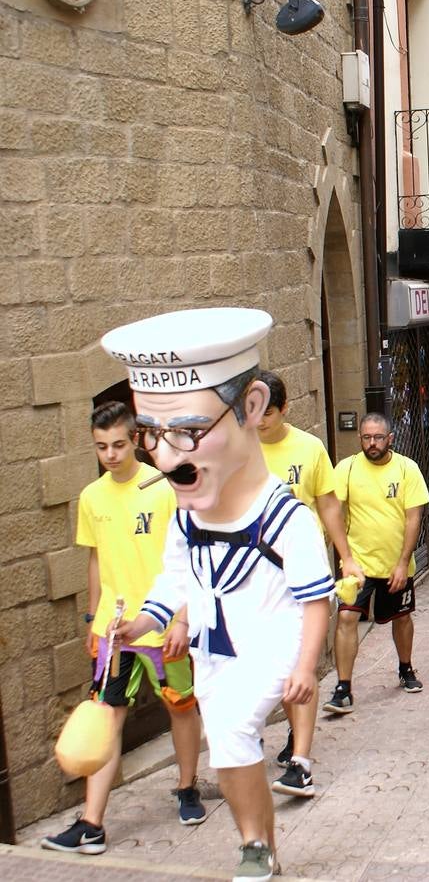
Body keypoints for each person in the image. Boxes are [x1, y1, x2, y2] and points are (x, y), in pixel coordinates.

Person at [99, 308, 332, 880]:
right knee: (228, 753)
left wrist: (305, 665)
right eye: (152, 436)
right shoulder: (187, 518)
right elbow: (174, 579)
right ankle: (260, 845)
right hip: (213, 656)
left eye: (187, 432)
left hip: (269, 649)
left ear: (250, 407)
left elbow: (315, 600)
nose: (167, 456)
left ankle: (256, 845)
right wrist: (143, 626)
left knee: (230, 737)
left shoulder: (286, 518)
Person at [43, 402, 205, 857]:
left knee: (180, 707)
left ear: (134, 439)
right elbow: (95, 558)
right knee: (106, 716)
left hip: (164, 624)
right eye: (101, 447)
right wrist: (92, 620)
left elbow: (191, 555)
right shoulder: (92, 497)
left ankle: (187, 786)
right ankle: (92, 823)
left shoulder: (164, 487)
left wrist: (182, 616)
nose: (110, 455)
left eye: (117, 444)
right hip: (116, 633)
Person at [255, 370, 365, 797]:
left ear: (283, 409)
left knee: (301, 658)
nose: (260, 419)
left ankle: (301, 760)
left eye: (268, 411)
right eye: (254, 410)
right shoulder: (237, 446)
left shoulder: (309, 447)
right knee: (274, 661)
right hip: (255, 577)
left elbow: (329, 505)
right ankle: (288, 737)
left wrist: (347, 557)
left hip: (301, 570)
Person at [327, 413, 429, 713]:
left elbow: (414, 519)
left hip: (395, 565)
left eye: (378, 437)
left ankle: (406, 668)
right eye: (366, 438)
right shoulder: (346, 469)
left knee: (401, 618)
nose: (371, 443)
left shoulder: (407, 469)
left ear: (390, 438)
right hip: (357, 566)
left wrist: (402, 563)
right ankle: (343, 688)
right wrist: (343, 558)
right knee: (346, 618)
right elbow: (333, 512)